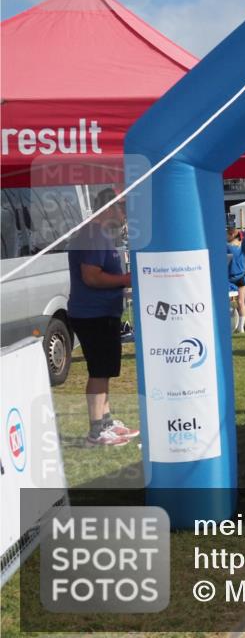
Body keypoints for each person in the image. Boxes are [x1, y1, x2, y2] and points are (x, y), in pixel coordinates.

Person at [67, 189, 138, 447]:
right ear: (109, 207)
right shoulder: (94, 234)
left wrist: (122, 284)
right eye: (122, 209)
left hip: (100, 312)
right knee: (99, 370)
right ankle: (96, 430)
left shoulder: (98, 234)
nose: (125, 215)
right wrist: (126, 280)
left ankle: (105, 422)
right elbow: (91, 276)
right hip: (93, 313)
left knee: (104, 370)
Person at [226, 227, 245, 333]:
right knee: (241, 302)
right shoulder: (243, 247)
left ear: (231, 235)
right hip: (242, 277)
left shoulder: (226, 247)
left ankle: (229, 324)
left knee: (227, 302)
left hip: (229, 278)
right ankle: (241, 327)